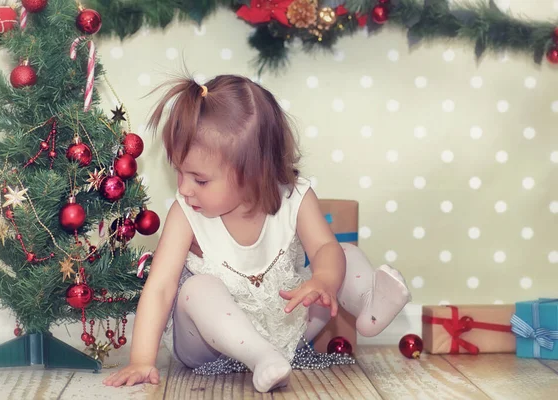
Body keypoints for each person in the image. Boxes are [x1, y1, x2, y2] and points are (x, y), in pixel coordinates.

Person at [103, 74, 411, 392]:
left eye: (200, 179)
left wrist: (324, 281)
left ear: (253, 173)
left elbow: (323, 248)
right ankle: (260, 357)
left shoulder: (295, 197)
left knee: (342, 255)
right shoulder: (185, 213)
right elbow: (161, 288)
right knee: (197, 289)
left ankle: (370, 310)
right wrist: (141, 359)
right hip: (207, 345)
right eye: (179, 172)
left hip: (284, 325)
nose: (184, 188)